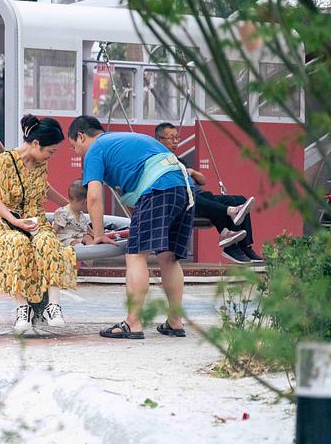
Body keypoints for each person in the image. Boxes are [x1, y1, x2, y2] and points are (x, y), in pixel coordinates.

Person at [68, 115, 193, 340]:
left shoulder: (96, 148)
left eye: (74, 146)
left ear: (81, 136)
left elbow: (94, 197)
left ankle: (133, 323)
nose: (77, 152)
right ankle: (175, 322)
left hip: (158, 189)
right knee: (168, 257)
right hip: (184, 188)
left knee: (135, 255)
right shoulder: (127, 140)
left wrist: (98, 235)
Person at [0, 114, 78, 334]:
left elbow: (44, 188)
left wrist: (68, 205)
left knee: (49, 242)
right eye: (50, 151)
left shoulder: (40, 164)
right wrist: (14, 220)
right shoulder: (5, 161)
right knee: (18, 244)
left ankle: (54, 306)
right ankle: (23, 309)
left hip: (35, 220)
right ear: (36, 143)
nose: (51, 156)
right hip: (6, 223)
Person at [154, 123, 262, 263]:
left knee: (240, 199)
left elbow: (202, 180)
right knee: (199, 198)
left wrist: (192, 172)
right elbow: (182, 183)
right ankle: (230, 221)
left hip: (200, 198)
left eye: (177, 138)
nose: (175, 141)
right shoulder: (157, 161)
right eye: (171, 138)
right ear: (159, 140)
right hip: (181, 202)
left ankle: (243, 246)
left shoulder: (178, 160)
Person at [53, 180, 94, 246]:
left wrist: (96, 235)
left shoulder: (80, 214)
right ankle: (83, 251)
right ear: (86, 202)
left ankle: (93, 251)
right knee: (74, 242)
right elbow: (55, 230)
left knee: (88, 237)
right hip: (65, 239)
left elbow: (88, 229)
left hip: (77, 236)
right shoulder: (63, 213)